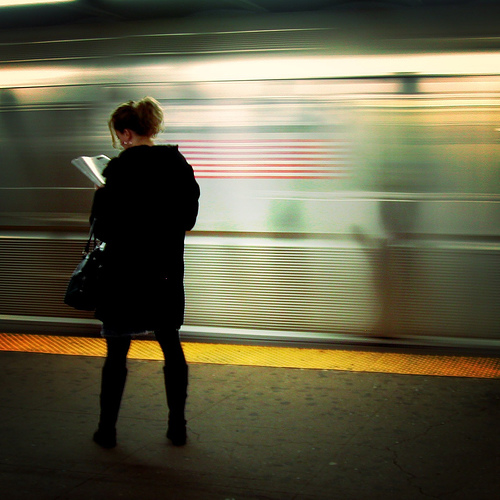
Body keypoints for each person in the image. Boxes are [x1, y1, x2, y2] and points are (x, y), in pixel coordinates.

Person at [90, 96, 200, 449]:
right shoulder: (178, 164)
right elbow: (188, 221)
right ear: (151, 128)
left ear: (125, 133)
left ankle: (107, 430)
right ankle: (177, 427)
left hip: (124, 275)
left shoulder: (117, 171)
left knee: (117, 354)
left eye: (119, 134)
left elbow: (104, 230)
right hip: (164, 272)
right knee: (171, 346)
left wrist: (101, 197)